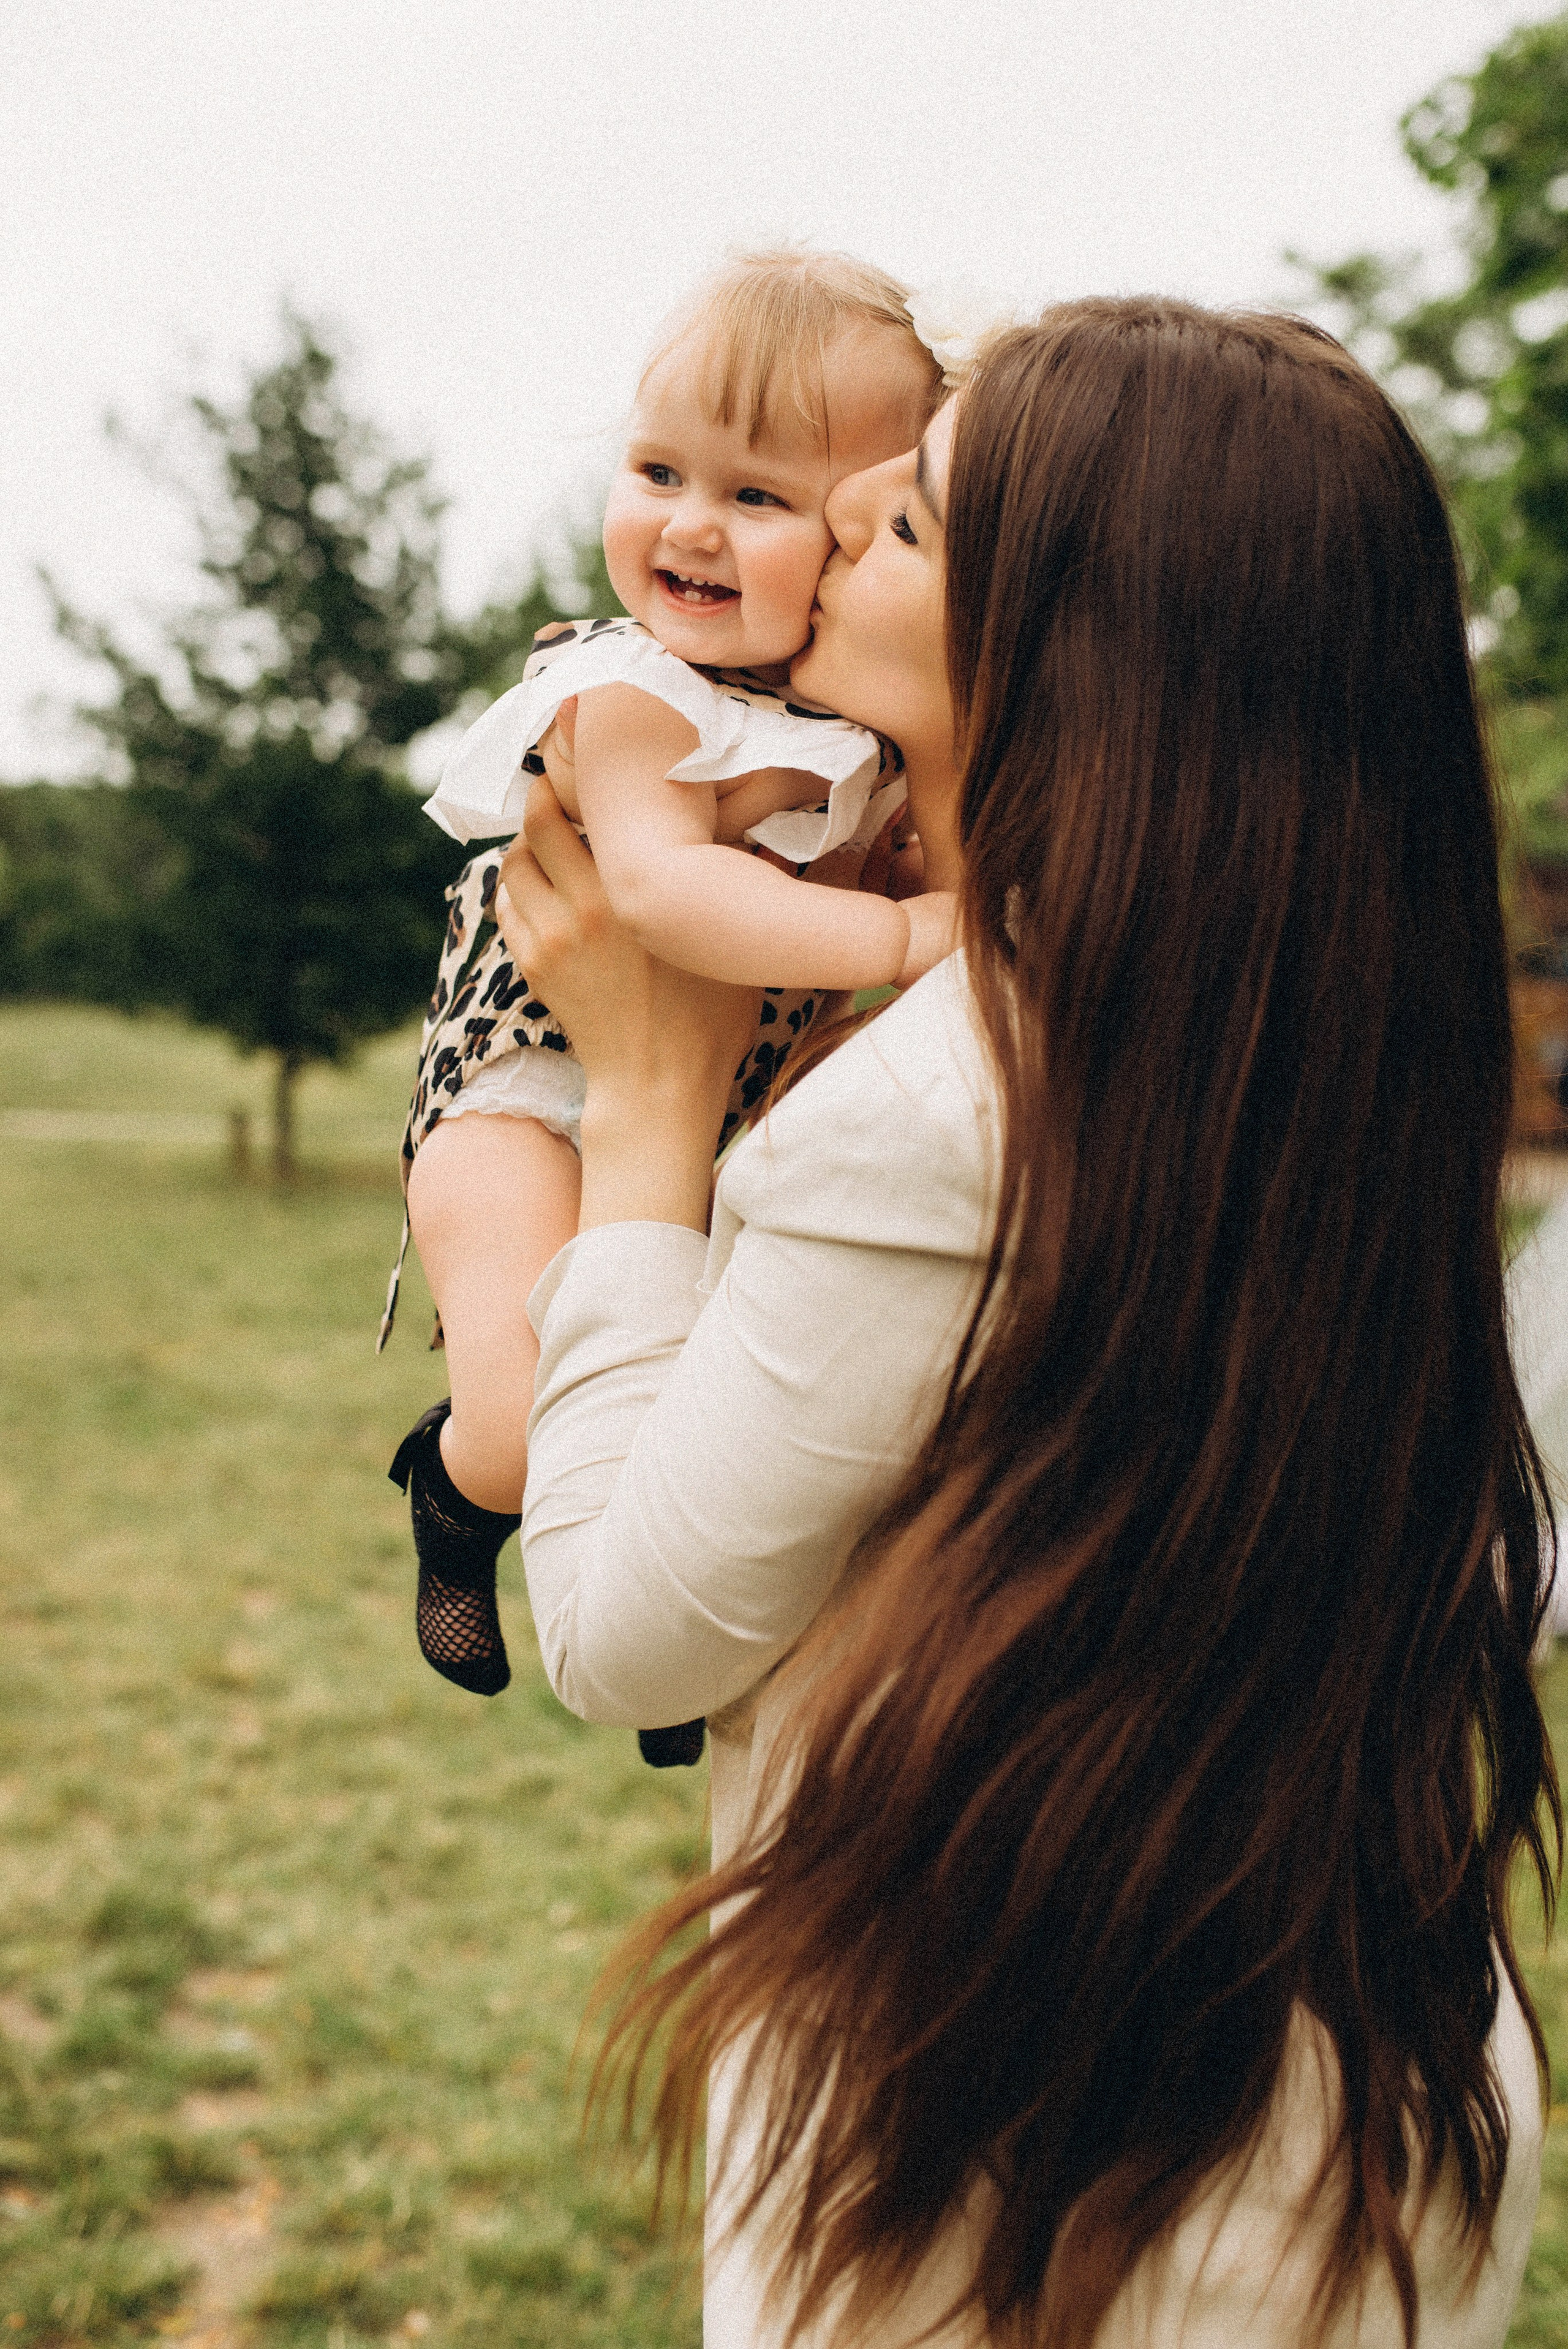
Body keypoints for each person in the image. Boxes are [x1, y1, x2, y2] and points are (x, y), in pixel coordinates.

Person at [497, 300, 1559, 2347]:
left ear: (1078, 659)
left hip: (1017, 2166)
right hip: (1360, 2109)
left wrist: (642, 1101)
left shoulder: (943, 1112)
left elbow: (630, 1628)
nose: (855, 501)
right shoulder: (1325, 1044)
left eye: (920, 520)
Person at [383, 251, 951, 1721]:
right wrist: (902, 943)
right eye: (655, 469)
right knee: (519, 1418)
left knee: (687, 1415)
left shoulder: (847, 726)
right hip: (522, 1085)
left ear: (842, 542)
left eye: (760, 499)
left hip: (695, 1100)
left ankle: (682, 1665)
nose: (689, 524)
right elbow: (658, 892)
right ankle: (449, 1496)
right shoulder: (631, 694)